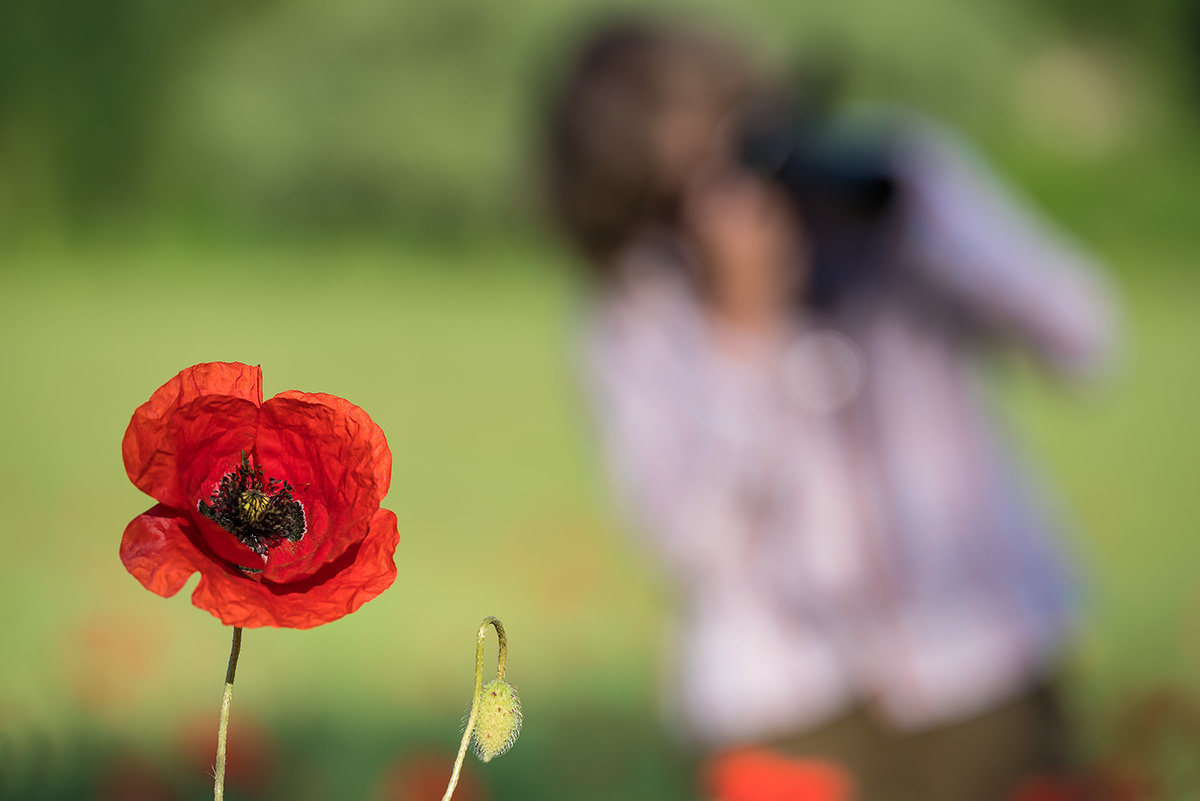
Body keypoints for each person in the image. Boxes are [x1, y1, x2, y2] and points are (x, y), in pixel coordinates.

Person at [541, 18, 1116, 801]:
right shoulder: (639, 310)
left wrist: (924, 228)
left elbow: (1084, 338)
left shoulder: (902, 184)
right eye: (683, 193)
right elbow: (687, 535)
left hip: (984, 656)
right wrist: (744, 333)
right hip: (786, 695)